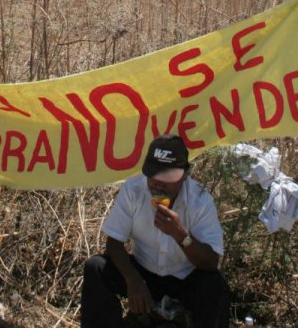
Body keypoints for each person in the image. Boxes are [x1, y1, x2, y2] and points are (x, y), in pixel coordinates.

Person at [81, 134, 230, 328]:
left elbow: (211, 262)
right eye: (153, 176)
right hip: (143, 271)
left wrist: (181, 236)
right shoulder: (133, 190)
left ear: (184, 175)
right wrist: (133, 280)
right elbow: (114, 243)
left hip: (184, 278)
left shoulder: (200, 201)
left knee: (215, 286)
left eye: (167, 178)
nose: (158, 184)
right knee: (96, 267)